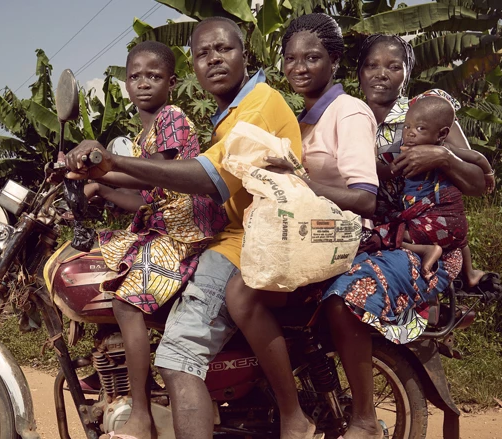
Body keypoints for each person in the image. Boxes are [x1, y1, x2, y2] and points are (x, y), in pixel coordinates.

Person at [65, 16, 304, 439]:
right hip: (235, 236)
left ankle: (143, 414)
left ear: (245, 55)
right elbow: (154, 189)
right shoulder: (227, 116)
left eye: (224, 50)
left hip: (244, 242)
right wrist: (97, 182)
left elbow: (201, 178)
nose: (213, 59)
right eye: (202, 54)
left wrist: (111, 163)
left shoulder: (258, 106)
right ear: (193, 67)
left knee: (176, 356)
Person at [315, 34, 491, 439]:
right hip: (365, 235)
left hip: (414, 237)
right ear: (358, 72)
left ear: (407, 72)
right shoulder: (342, 113)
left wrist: (443, 156)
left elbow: (479, 182)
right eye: (372, 65)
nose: (382, 74)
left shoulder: (425, 111)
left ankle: (363, 418)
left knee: (347, 296)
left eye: (393, 66)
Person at [223, 14, 378, 439]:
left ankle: (294, 415)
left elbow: (366, 198)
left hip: (344, 235)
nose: (299, 67)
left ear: (334, 60)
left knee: (241, 292)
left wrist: (302, 182)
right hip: (309, 233)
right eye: (290, 58)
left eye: (312, 57)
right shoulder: (302, 118)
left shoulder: (348, 112)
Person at [79, 40, 228, 439]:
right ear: (126, 83)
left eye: (154, 76)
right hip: (162, 228)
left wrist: (101, 172)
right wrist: (103, 189)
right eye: (135, 76)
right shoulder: (143, 134)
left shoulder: (171, 118)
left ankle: (141, 415)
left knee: (127, 304)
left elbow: (156, 174)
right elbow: (142, 196)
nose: (143, 83)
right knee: (97, 267)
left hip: (186, 233)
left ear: (172, 83)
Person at [380, 95, 494, 277]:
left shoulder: (439, 151)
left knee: (388, 234)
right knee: (461, 241)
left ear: (441, 134)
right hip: (454, 223)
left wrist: (488, 174)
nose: (410, 133)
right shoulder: (438, 148)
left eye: (420, 128)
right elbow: (476, 157)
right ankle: (470, 274)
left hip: (433, 219)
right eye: (407, 126)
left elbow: (477, 157)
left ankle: (426, 250)